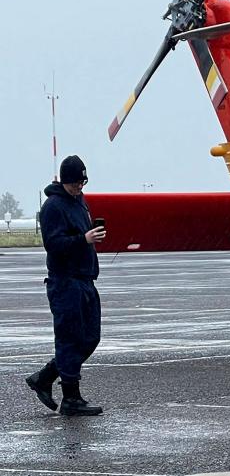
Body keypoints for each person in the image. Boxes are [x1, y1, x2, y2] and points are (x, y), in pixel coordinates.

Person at [26, 155, 105, 416]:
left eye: (82, 183)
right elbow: (54, 245)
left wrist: (89, 238)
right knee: (69, 339)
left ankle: (45, 376)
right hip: (65, 282)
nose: (79, 188)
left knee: (90, 337)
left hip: (85, 279)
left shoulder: (79, 202)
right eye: (75, 184)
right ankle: (71, 398)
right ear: (64, 182)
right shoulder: (53, 207)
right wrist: (83, 239)